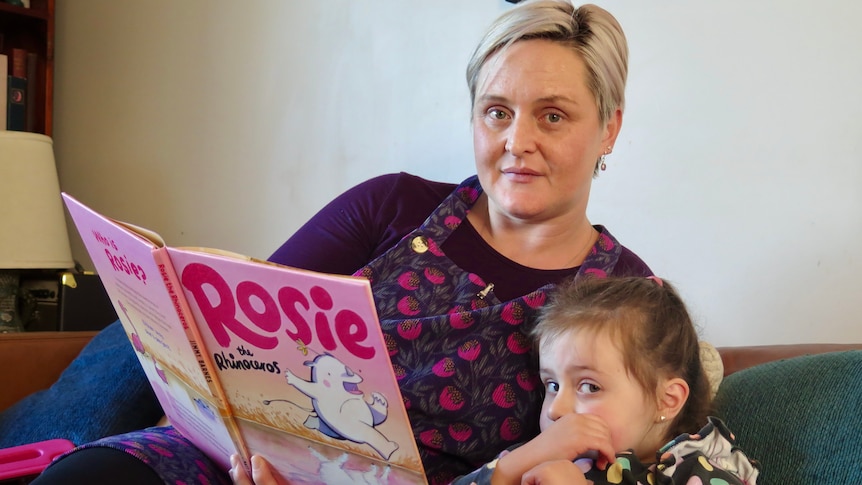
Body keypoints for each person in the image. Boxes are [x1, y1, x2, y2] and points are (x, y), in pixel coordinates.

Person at [29, 1, 654, 484]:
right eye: (496, 112)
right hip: (247, 461)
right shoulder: (392, 206)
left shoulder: (625, 296)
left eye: (552, 115)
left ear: (609, 129)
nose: (517, 141)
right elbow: (236, 330)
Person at [450, 276, 760, 485]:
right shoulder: (541, 452)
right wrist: (517, 464)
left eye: (589, 387)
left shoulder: (698, 470)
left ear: (666, 400)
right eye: (553, 385)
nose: (557, 409)